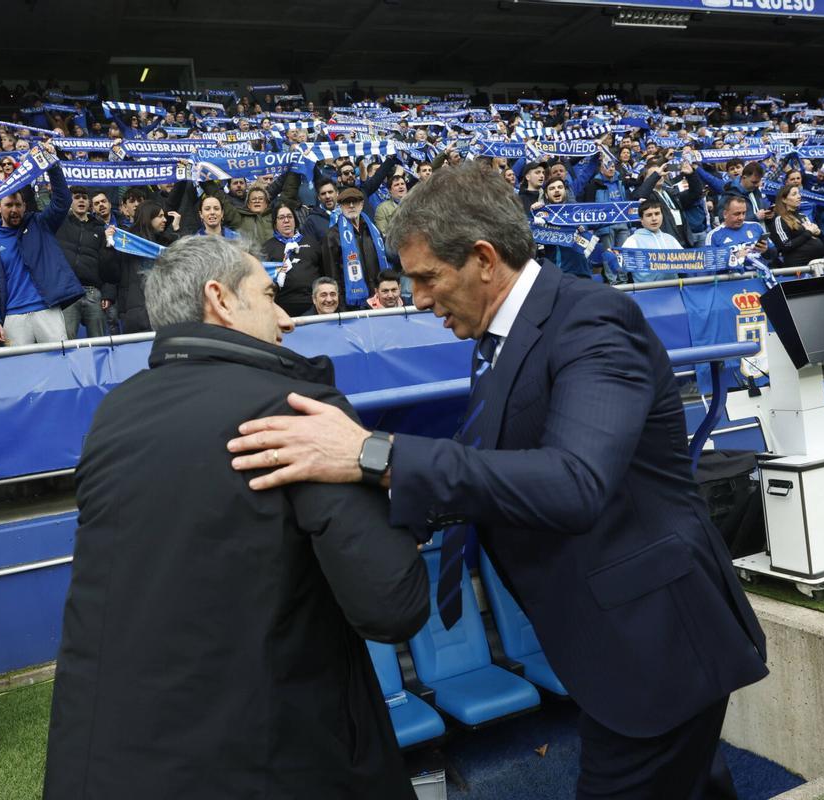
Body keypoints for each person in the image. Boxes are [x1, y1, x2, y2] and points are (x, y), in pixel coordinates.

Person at [226, 163, 768, 800]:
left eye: (428, 278)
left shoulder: (592, 322)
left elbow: (573, 480)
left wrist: (376, 455)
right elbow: (491, 461)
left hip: (656, 646)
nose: (420, 299)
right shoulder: (502, 335)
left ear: (484, 259)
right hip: (618, 642)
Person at [43, 235, 428, 799]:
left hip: (114, 761)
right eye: (271, 296)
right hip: (273, 759)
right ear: (220, 299)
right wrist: (402, 519)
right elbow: (394, 604)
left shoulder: (113, 414)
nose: (286, 319)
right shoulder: (296, 407)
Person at [0, 145, 85, 346]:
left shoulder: (40, 224)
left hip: (47, 309)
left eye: (19, 205)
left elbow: (62, 201)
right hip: (12, 315)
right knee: (21, 372)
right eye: (9, 205)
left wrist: (52, 166)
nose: (15, 209)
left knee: (59, 364)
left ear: (25, 206)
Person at [321, 186, 392, 309]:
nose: (352, 205)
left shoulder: (373, 230)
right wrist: (341, 305)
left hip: (379, 298)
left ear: (362, 204)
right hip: (351, 303)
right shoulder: (332, 235)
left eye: (355, 202)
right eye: (347, 202)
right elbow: (332, 274)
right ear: (341, 206)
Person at [54, 186, 108, 339]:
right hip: (68, 292)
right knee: (67, 344)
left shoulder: (100, 228)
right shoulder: (59, 223)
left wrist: (108, 293)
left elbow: (107, 262)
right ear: (70, 201)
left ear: (89, 203)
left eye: (84, 197)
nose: (81, 200)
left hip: (93, 292)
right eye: (77, 197)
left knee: (100, 344)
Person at [262, 202, 324, 316]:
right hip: (281, 307)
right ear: (275, 223)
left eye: (289, 217)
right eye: (281, 218)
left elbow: (324, 271)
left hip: (313, 304)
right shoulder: (267, 248)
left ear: (295, 220)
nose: (286, 220)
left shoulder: (311, 242)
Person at [622, 199, 685, 283]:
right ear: (641, 219)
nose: (654, 218)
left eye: (657, 213)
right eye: (649, 215)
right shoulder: (633, 240)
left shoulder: (670, 238)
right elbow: (621, 266)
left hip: (673, 290)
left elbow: (685, 261)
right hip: (646, 291)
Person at [767, 184, 824, 267]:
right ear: (784, 199)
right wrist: (808, 232)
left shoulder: (803, 216)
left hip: (817, 263)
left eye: (799, 193)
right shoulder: (779, 220)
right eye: (794, 194)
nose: (799, 196)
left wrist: (819, 233)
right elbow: (785, 245)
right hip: (798, 266)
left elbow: (817, 237)